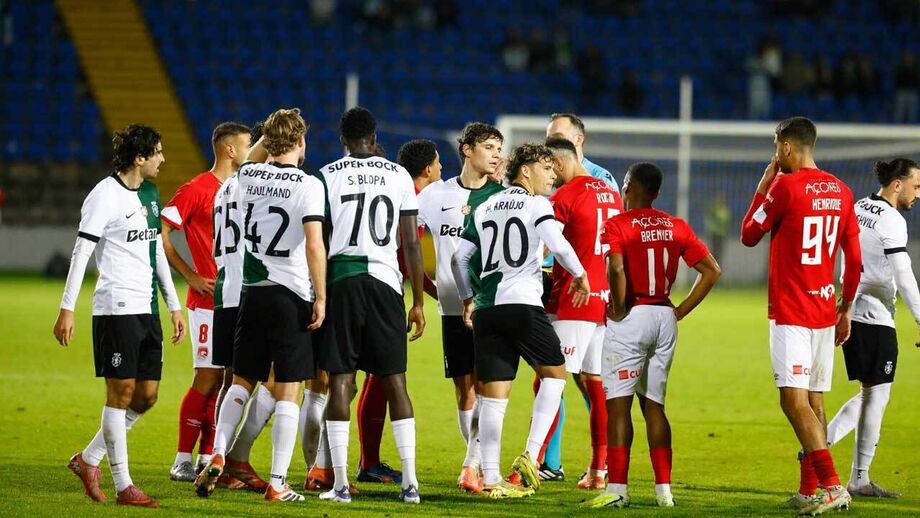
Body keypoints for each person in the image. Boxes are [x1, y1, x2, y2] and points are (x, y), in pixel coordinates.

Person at [195, 108, 327, 503]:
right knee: (288, 390)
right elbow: (315, 244)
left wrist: (268, 137)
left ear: (267, 142)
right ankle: (278, 482)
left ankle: (218, 450)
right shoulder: (308, 185)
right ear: (301, 143)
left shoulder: (247, 175)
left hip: (251, 293)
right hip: (289, 292)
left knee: (241, 380)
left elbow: (252, 159)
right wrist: (320, 296)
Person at [55, 124, 186, 507]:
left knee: (146, 397)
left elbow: (156, 251)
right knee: (121, 393)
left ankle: (88, 458)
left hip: (147, 308)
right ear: (139, 158)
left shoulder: (149, 193)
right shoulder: (103, 196)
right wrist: (67, 307)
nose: (162, 159)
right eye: (157, 153)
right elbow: (81, 252)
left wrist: (173, 304)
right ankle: (124, 485)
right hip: (115, 308)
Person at [452, 143, 590, 499]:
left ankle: (493, 478)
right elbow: (556, 244)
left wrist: (469, 298)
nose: (553, 175)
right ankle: (530, 454)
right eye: (546, 168)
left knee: (494, 398)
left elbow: (459, 258)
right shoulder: (536, 204)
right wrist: (579, 273)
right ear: (524, 171)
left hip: (486, 308)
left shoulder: (483, 204)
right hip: (524, 304)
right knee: (556, 374)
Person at [740, 116, 862, 515]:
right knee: (815, 399)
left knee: (793, 402)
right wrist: (845, 308)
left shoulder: (785, 186)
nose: (776, 155)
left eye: (777, 148)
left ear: (787, 147)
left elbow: (749, 233)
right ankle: (810, 489)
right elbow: (855, 261)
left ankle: (830, 485)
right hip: (825, 310)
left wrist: (763, 186)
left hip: (792, 311)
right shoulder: (843, 192)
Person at [582, 162, 720, 508]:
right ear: (657, 193)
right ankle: (664, 492)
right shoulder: (676, 225)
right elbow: (711, 271)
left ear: (627, 187)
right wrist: (679, 311)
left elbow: (615, 267)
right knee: (655, 406)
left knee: (618, 406)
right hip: (664, 316)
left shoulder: (617, 224)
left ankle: (618, 489)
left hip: (633, 316)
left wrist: (617, 305)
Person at [317, 106, 426, 504]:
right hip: (385, 283)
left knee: (341, 380)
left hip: (342, 280)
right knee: (395, 380)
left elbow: (320, 239)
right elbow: (411, 241)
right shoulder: (397, 174)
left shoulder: (326, 175)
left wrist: (318, 293)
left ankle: (341, 485)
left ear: (342, 139)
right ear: (374, 135)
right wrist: (416, 301)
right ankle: (410, 483)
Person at [416, 124, 505, 493]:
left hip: (490, 306)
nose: (496, 154)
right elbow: (405, 241)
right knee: (464, 390)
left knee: (488, 387)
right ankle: (477, 462)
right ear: (466, 150)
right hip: (452, 307)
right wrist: (426, 289)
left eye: (499, 148)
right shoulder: (435, 195)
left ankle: (472, 464)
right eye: (488, 147)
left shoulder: (503, 197)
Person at [160, 122, 251, 481]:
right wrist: (192, 275)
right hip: (205, 301)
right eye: (246, 144)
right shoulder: (197, 189)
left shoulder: (243, 189)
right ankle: (182, 458)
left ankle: (205, 457)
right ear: (230, 149)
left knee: (228, 381)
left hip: (235, 298)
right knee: (207, 377)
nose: (250, 150)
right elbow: (162, 234)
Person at [824, 158, 920, 498]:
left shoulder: (859, 205)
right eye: (916, 186)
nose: (917, 194)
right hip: (877, 318)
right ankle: (858, 478)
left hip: (850, 309)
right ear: (897, 184)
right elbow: (903, 274)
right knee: (877, 395)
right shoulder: (893, 221)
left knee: (871, 392)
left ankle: (820, 444)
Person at [352, 139, 440, 485]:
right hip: (380, 292)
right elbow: (406, 253)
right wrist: (432, 294)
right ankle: (362, 463)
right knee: (380, 378)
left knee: (360, 379)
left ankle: (358, 463)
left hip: (354, 286)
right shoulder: (407, 198)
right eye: (437, 163)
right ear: (426, 169)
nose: (441, 169)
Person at [539, 112, 620, 480]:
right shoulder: (605, 188)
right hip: (600, 294)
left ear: (577, 141)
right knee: (592, 380)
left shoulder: (572, 187)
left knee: (549, 378)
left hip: (574, 292)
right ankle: (600, 467)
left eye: (557, 137)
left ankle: (537, 462)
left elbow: (546, 240)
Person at [209, 120, 277, 492]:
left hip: (224, 292)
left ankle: (216, 453)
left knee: (231, 379)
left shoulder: (223, 191)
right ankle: (238, 455)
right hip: (253, 292)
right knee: (275, 378)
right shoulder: (261, 187)